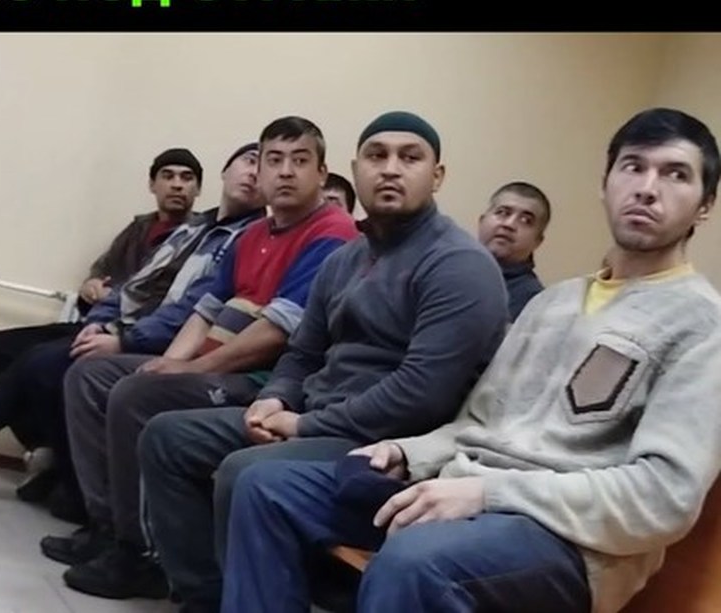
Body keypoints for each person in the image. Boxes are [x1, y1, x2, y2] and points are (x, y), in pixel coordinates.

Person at [220, 107, 721, 613]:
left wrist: (488, 492)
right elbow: (477, 424)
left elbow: (664, 498)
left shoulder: (700, 324)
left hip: (568, 541)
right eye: (633, 167)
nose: (647, 188)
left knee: (414, 561)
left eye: (675, 174)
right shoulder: (553, 304)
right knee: (266, 487)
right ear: (606, 184)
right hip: (463, 491)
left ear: (705, 205)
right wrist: (405, 452)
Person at [136, 111, 511, 613]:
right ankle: (208, 598)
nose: (391, 169)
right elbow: (303, 353)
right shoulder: (345, 259)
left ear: (437, 175)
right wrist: (274, 399)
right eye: (377, 156)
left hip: (388, 447)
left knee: (247, 474)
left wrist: (302, 424)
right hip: (316, 420)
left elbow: (422, 394)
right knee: (166, 438)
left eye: (410, 157)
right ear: (355, 170)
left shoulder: (458, 264)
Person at [45, 116, 360, 600]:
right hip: (217, 364)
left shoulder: (333, 233)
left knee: (136, 395)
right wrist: (167, 362)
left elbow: (277, 332)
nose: (285, 171)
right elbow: (206, 308)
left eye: (300, 161)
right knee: (90, 375)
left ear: (322, 173)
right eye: (273, 160)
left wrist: (187, 370)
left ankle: (141, 554)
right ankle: (111, 529)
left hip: (268, 382)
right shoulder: (253, 233)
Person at [0, 144, 264, 520]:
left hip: (152, 339)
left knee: (42, 364)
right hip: (114, 322)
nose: (254, 172)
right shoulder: (185, 229)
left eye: (263, 166)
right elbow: (131, 283)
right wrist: (98, 316)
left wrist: (122, 337)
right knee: (0, 348)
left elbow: (189, 308)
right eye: (249, 160)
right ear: (225, 170)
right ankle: (55, 458)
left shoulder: (243, 239)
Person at [0, 148, 203, 485]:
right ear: (152, 185)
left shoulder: (199, 237)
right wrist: (91, 285)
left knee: (42, 363)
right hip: (93, 321)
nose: (177, 185)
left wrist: (119, 302)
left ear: (198, 189)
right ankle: (46, 447)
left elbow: (167, 300)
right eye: (168, 176)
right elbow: (102, 268)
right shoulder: (138, 228)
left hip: (133, 334)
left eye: (187, 178)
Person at [477, 180, 551, 319]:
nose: (509, 224)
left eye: (525, 220)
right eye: (502, 213)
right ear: (481, 221)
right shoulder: (445, 265)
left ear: (538, 241)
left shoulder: (534, 303)